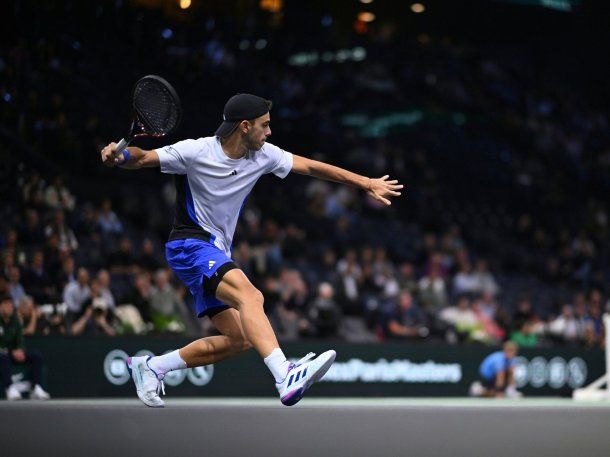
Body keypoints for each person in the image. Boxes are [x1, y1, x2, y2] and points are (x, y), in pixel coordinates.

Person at [101, 93, 402, 407]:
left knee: (239, 340)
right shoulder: (196, 151)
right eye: (265, 125)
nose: (269, 132)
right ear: (244, 126)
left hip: (215, 251)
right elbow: (143, 157)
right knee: (251, 296)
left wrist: (365, 182)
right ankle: (284, 375)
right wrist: (119, 157)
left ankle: (151, 367)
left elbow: (312, 167)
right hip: (190, 245)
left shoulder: (264, 155)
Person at [0, 295, 50, 400]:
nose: (9, 308)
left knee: (36, 355)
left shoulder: (15, 320)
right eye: (6, 305)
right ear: (1, 307)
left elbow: (20, 338)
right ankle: (9, 388)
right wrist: (10, 351)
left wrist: (20, 350)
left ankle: (36, 388)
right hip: (3, 354)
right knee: (2, 356)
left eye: (10, 305)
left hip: (15, 353)